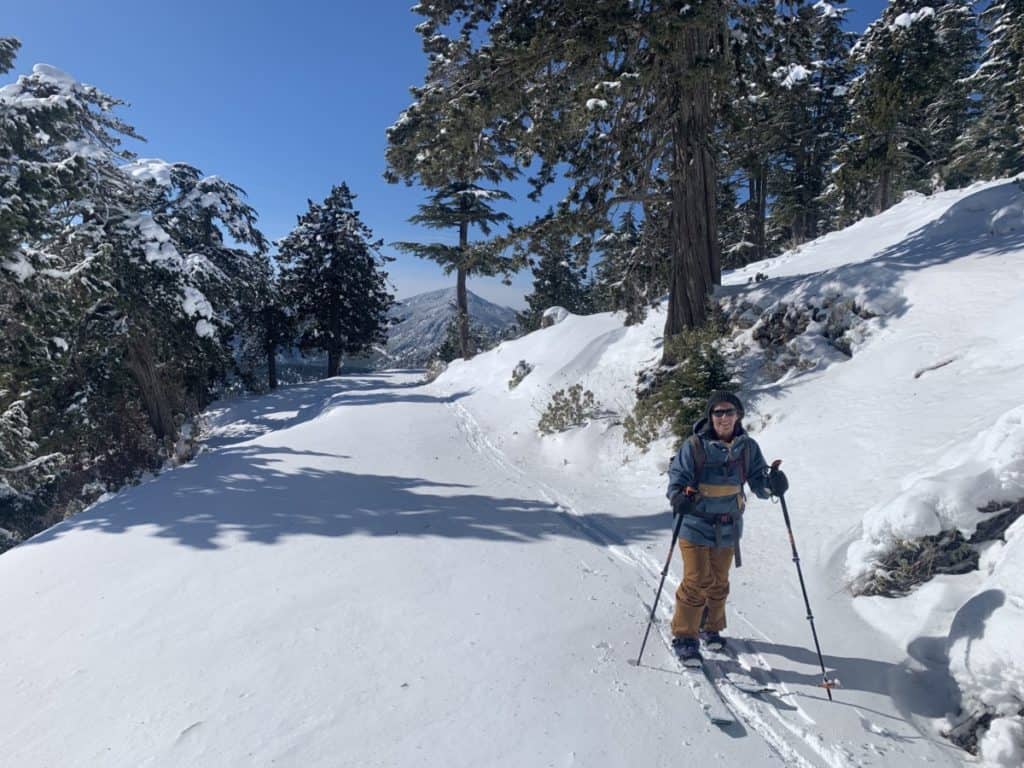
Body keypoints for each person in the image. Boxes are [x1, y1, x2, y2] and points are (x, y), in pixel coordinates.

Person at [665, 391, 787, 666]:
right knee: (696, 579)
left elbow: (758, 481)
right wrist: (677, 497)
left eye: (729, 412)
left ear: (738, 415)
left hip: (729, 525)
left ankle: (711, 627)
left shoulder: (748, 448)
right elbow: (677, 479)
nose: (723, 417)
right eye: (718, 412)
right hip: (694, 523)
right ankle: (685, 636)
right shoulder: (694, 446)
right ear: (710, 416)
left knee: (718, 581)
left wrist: (773, 484)